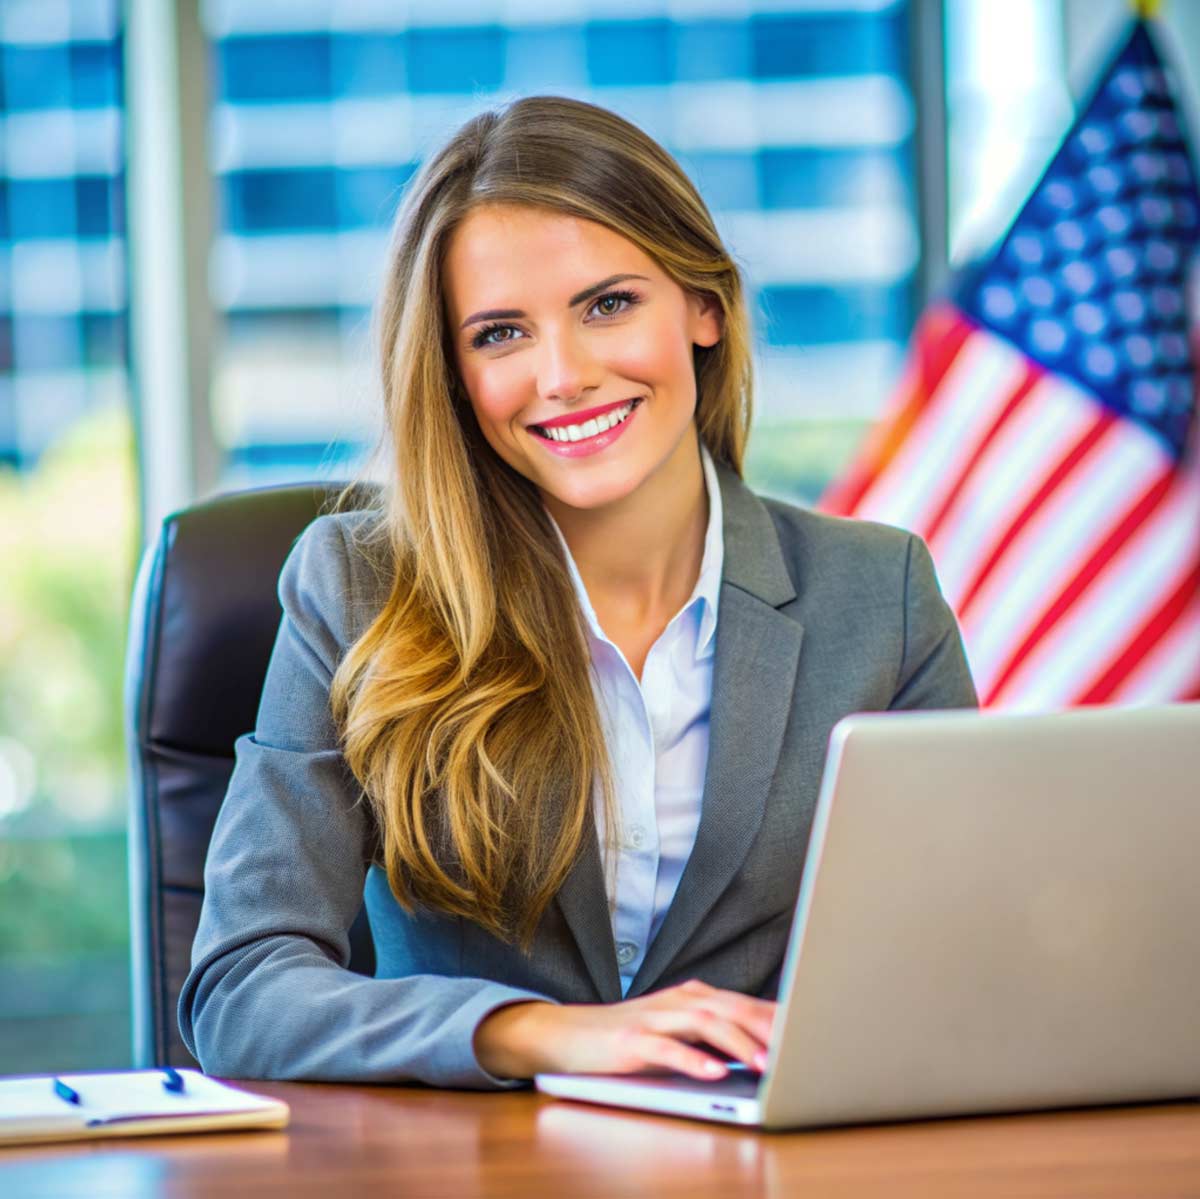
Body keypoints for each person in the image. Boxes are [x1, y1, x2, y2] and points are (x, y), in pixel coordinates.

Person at [179, 95, 978, 1090]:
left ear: (703, 307)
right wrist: (541, 1033)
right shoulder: (359, 585)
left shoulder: (880, 592)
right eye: (502, 333)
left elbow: (964, 956)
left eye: (608, 305)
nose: (563, 375)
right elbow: (242, 987)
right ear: (455, 372)